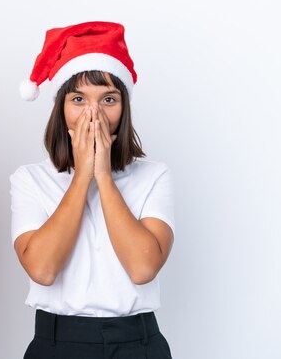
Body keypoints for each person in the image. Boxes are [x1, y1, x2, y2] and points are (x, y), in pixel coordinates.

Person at [11, 21, 174, 358]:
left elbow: (142, 269)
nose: (93, 114)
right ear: (61, 107)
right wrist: (82, 175)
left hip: (137, 342)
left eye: (108, 99)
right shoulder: (29, 179)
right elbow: (42, 269)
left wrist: (103, 175)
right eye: (79, 98)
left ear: (123, 108)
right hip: (57, 342)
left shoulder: (154, 176)